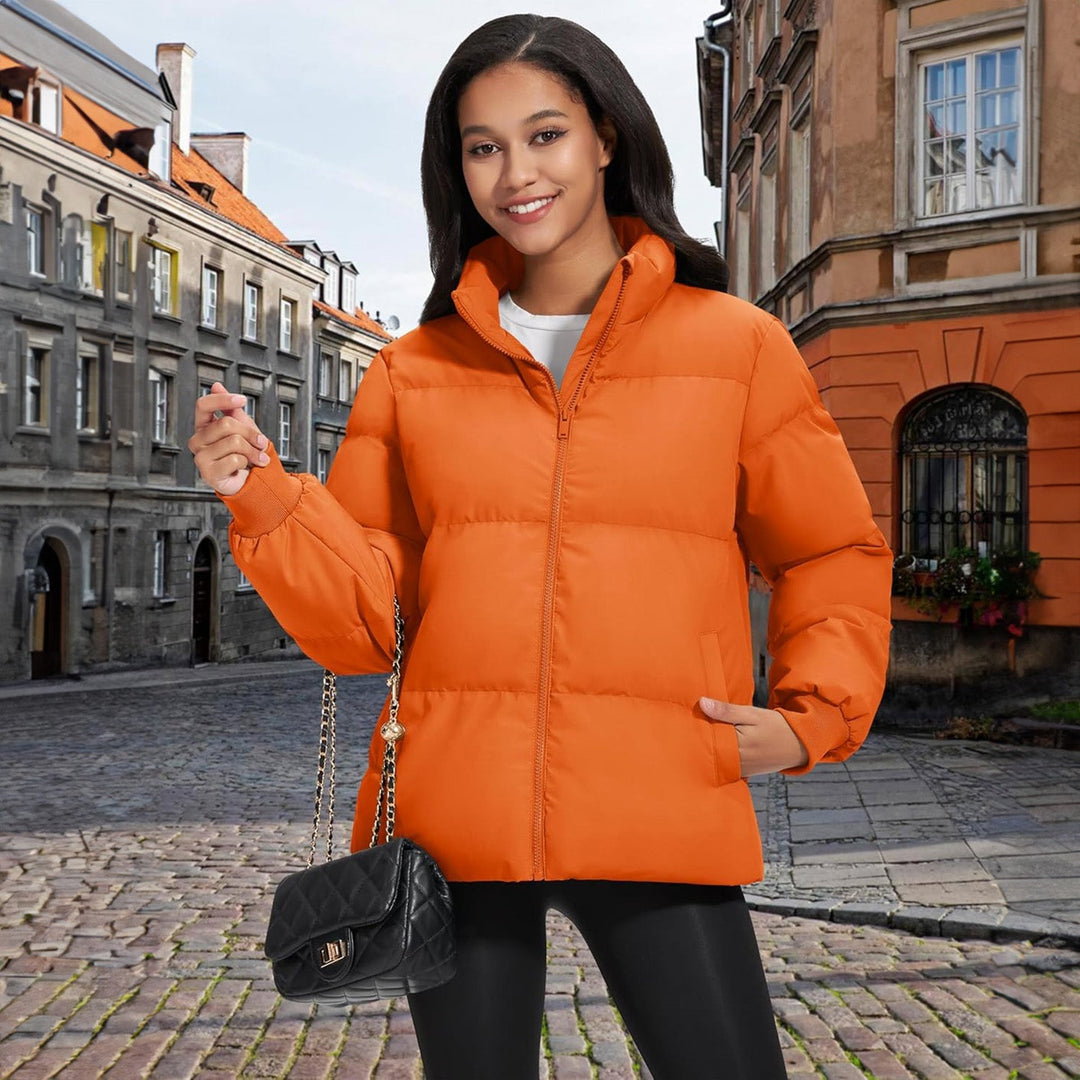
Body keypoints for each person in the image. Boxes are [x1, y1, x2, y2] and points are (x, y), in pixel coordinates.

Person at [188, 13, 893, 1079]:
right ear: (456, 167)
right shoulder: (410, 372)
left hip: (661, 791)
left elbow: (829, 548)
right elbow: (365, 626)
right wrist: (268, 501)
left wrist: (812, 717)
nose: (515, 172)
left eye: (545, 135)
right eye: (482, 146)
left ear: (606, 138)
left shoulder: (735, 347)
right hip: (455, 818)